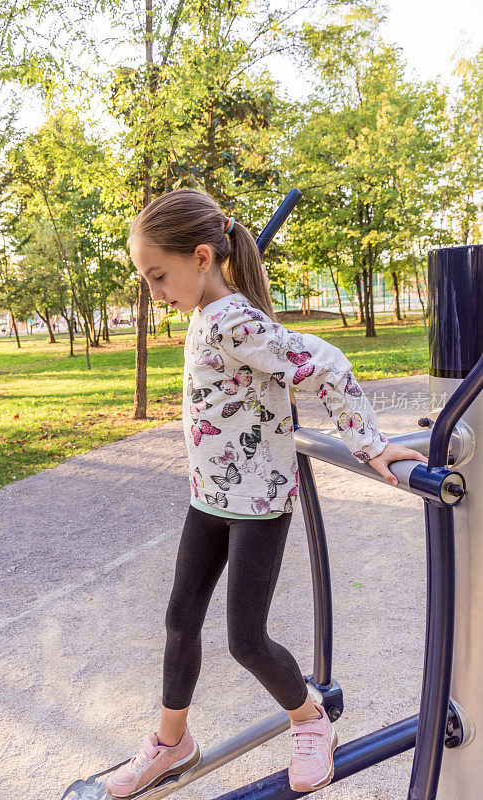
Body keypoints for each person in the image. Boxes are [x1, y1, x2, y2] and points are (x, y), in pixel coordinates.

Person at [105, 189, 427, 799]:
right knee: (180, 618)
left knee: (245, 638)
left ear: (202, 256)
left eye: (158, 275)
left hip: (256, 504)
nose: (154, 292)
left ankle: (309, 719)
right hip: (211, 497)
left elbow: (327, 363)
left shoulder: (233, 320)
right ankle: (173, 742)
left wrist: (370, 443)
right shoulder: (211, 312)